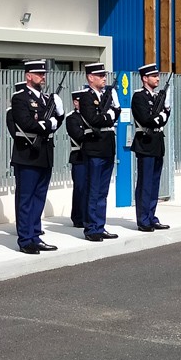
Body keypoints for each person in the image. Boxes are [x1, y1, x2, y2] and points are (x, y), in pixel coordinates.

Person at [8, 60, 63, 254]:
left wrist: (60, 114)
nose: (43, 76)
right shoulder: (20, 98)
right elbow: (26, 123)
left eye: (44, 73)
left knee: (39, 197)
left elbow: (55, 122)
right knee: (26, 198)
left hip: (44, 153)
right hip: (27, 154)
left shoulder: (46, 98)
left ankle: (35, 235)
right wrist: (49, 124)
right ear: (28, 76)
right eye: (39, 73)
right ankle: (25, 239)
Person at [68, 63, 120, 241]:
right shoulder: (85, 97)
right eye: (100, 75)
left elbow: (116, 112)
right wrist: (110, 116)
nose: (104, 78)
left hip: (107, 147)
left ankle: (100, 225)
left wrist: (112, 112)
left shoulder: (107, 94)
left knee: (103, 192)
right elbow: (94, 119)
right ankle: (91, 228)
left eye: (104, 75)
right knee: (93, 189)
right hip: (94, 147)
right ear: (90, 77)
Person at [130, 63, 172, 231]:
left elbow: (161, 119)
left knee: (154, 183)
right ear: (145, 78)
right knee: (145, 183)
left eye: (158, 75)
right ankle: (143, 219)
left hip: (157, 143)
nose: (158, 78)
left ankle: (151, 216)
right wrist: (162, 115)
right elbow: (147, 120)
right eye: (154, 76)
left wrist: (165, 111)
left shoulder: (156, 97)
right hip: (145, 143)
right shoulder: (139, 97)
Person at [66, 89, 90, 229]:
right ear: (76, 102)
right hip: (79, 156)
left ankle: (88, 215)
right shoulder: (72, 118)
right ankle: (78, 217)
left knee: (91, 188)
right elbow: (79, 135)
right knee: (80, 188)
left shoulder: (91, 115)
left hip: (91, 155)